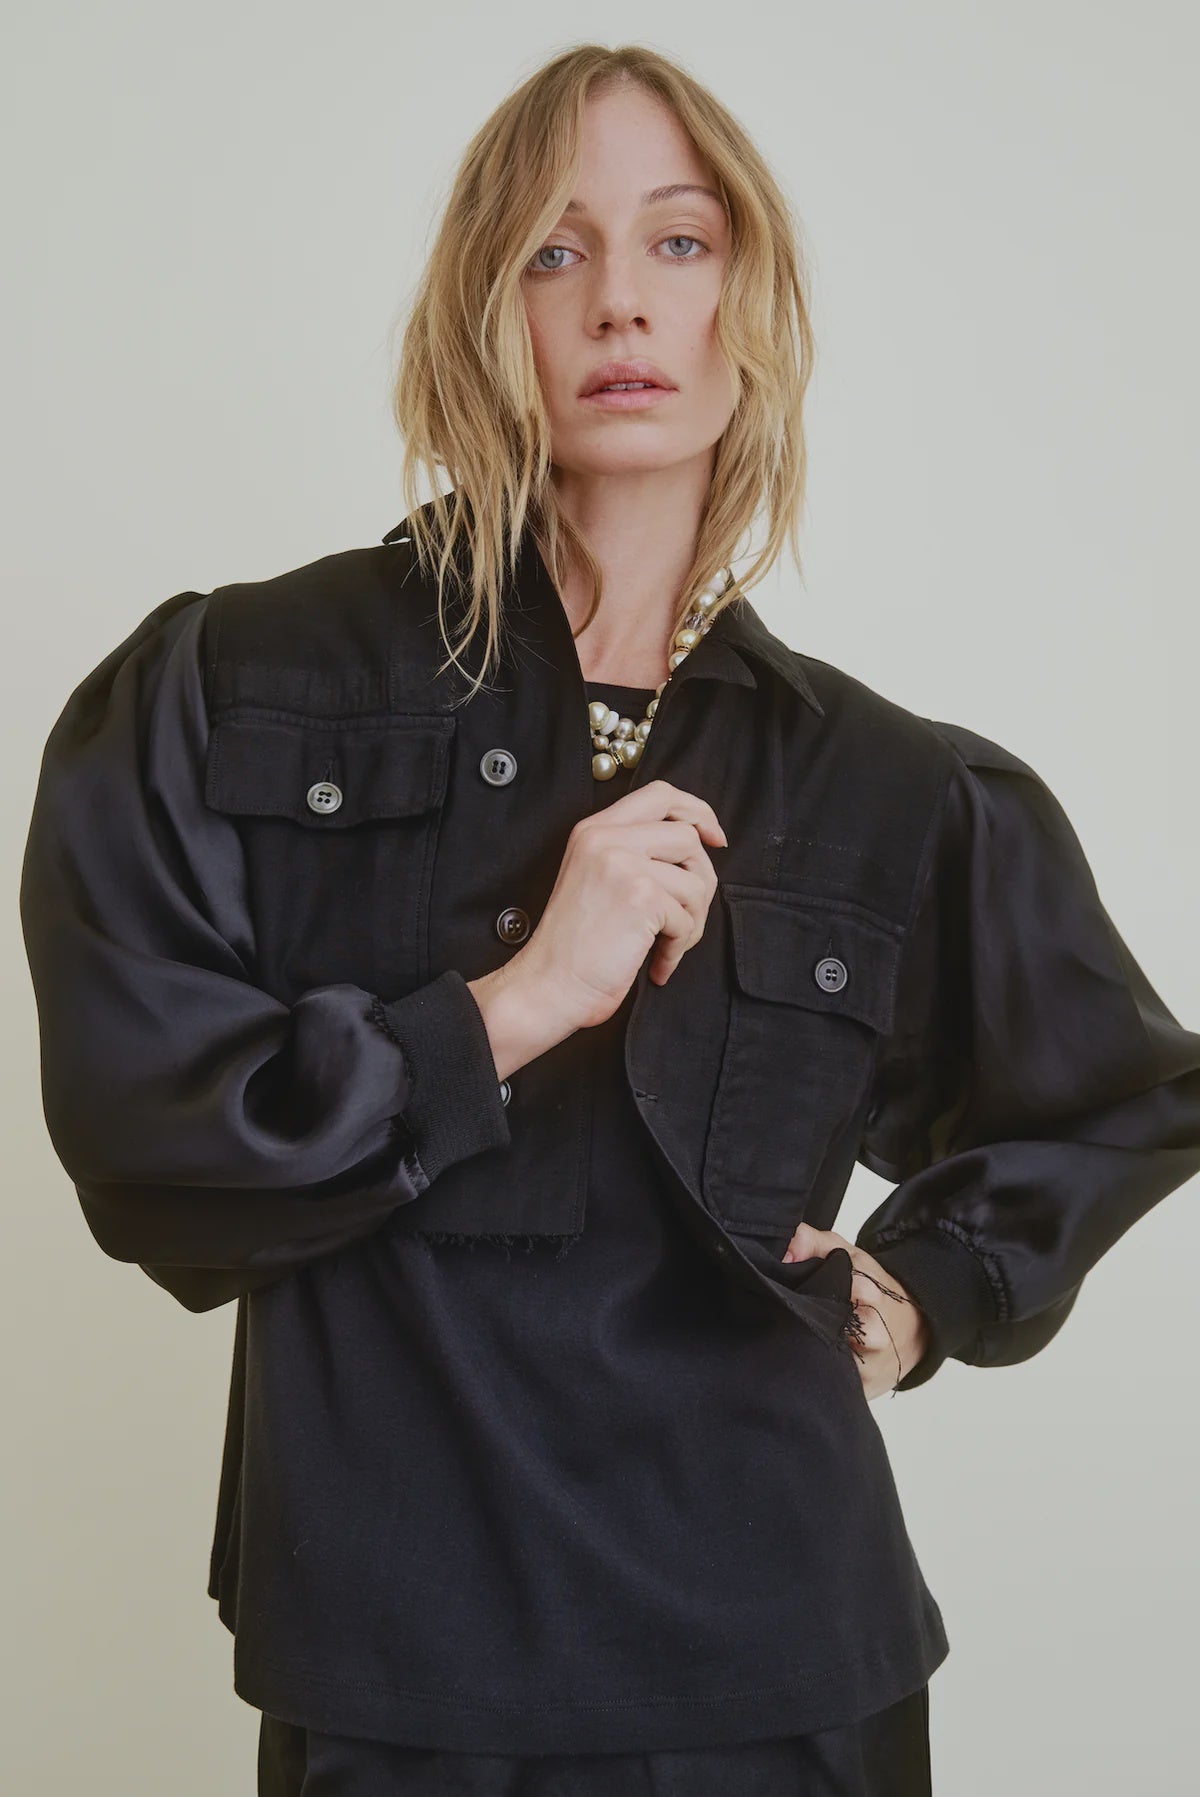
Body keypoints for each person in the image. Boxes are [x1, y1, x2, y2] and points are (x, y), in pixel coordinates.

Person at [20, 43, 1200, 1797]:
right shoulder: (235, 681)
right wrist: (513, 1000)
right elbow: (145, 1143)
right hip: (391, 1668)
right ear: (480, 307)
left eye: (681, 242)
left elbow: (1120, 1090)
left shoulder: (881, 778)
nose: (620, 303)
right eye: (554, 251)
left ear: (751, 308)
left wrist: (927, 1291)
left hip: (784, 1671)